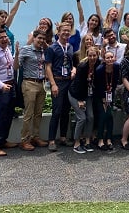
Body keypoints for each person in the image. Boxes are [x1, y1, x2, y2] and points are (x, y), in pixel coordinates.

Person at [15, 30, 49, 151]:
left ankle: (35, 137)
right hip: (29, 83)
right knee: (28, 114)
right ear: (33, 38)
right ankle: (24, 140)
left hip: (41, 84)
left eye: (43, 39)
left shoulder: (43, 51)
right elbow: (16, 67)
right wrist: (17, 54)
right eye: (39, 38)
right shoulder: (26, 49)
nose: (41, 40)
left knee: (38, 113)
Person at [45, 22, 76, 152]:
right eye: (64, 31)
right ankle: (51, 140)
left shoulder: (70, 47)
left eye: (68, 31)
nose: (66, 33)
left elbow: (71, 64)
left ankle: (63, 137)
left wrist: (74, 69)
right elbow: (48, 67)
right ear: (58, 31)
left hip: (68, 81)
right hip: (57, 82)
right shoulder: (52, 48)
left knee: (66, 111)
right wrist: (53, 84)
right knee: (56, 111)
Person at [69, 46, 100, 154]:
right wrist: (80, 100)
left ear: (97, 55)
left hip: (88, 94)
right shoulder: (82, 66)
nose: (92, 58)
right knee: (82, 118)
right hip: (75, 94)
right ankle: (76, 142)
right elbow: (78, 85)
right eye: (90, 55)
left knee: (91, 117)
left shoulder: (98, 64)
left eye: (94, 55)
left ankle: (87, 140)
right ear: (87, 56)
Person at [94, 50, 121, 150]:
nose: (110, 59)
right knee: (102, 115)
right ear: (104, 60)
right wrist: (103, 99)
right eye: (107, 58)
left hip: (110, 93)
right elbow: (98, 86)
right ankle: (100, 139)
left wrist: (110, 96)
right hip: (100, 95)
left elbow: (115, 82)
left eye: (111, 57)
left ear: (114, 58)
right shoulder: (100, 70)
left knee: (109, 115)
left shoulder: (116, 67)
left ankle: (109, 138)